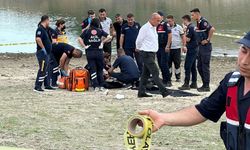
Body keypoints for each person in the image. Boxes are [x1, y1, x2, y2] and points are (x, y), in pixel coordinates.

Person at [139, 32, 250, 150]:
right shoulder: (231, 82)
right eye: (244, 50)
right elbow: (203, 111)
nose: (244, 61)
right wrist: (163, 118)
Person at [136, 13, 171, 98]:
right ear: (152, 19)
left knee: (145, 74)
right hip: (146, 53)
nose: (159, 22)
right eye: (158, 20)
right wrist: (140, 49)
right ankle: (164, 91)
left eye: (160, 20)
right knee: (155, 71)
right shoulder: (145, 28)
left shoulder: (154, 28)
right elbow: (139, 40)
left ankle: (141, 92)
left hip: (152, 53)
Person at [78, 18, 111, 91]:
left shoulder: (86, 31)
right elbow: (109, 36)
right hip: (99, 52)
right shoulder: (100, 31)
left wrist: (84, 46)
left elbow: (79, 38)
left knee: (93, 69)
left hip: (89, 52)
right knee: (100, 68)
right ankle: (101, 85)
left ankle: (95, 86)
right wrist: (102, 42)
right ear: (98, 24)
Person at [191, 8, 215, 92]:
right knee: (199, 66)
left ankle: (206, 86)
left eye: (193, 15)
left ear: (197, 14)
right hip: (200, 47)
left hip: (206, 47)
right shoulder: (198, 22)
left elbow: (212, 29)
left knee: (205, 67)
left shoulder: (203, 21)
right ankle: (204, 84)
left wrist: (208, 39)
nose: (192, 16)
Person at [34, 15, 55, 92]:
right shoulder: (40, 29)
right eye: (49, 21)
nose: (49, 22)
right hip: (42, 53)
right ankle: (37, 86)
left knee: (46, 69)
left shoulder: (45, 29)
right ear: (46, 20)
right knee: (42, 69)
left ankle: (47, 85)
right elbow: (38, 39)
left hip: (47, 53)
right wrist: (43, 48)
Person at [178, 15, 198, 90]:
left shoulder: (190, 27)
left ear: (186, 20)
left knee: (187, 66)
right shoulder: (194, 26)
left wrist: (183, 33)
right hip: (195, 48)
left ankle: (186, 84)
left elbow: (188, 39)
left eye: (183, 21)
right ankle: (194, 83)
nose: (183, 23)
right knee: (193, 66)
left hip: (192, 49)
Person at [167, 15, 186, 82]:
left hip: (177, 48)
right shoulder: (166, 27)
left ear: (173, 20)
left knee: (177, 63)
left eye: (170, 21)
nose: (169, 22)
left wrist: (184, 45)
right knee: (168, 63)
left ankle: (178, 77)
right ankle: (168, 77)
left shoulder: (178, 27)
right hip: (169, 48)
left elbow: (183, 37)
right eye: (168, 21)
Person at [156, 11, 172, 86]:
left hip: (164, 47)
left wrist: (168, 45)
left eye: (158, 16)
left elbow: (170, 35)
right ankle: (164, 79)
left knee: (164, 63)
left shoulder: (166, 24)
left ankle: (168, 80)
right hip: (158, 47)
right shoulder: (157, 25)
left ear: (162, 17)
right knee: (160, 64)